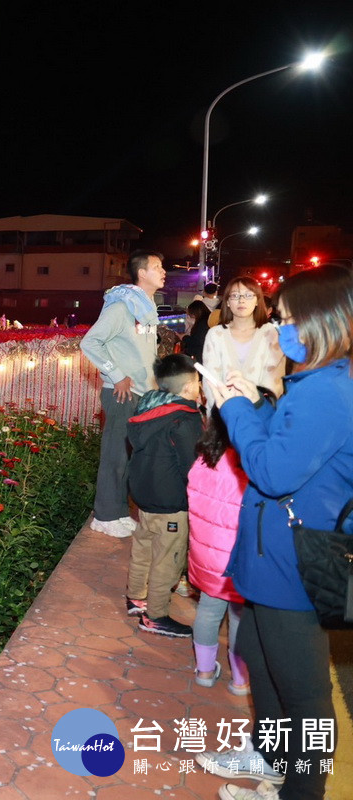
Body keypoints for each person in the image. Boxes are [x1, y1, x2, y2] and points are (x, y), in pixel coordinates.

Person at [198, 264, 353, 800]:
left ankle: (298, 790)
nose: (282, 329)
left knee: (305, 693)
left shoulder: (331, 389)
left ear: (323, 320)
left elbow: (272, 471)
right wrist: (258, 405)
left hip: (297, 557)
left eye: (288, 319)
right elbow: (286, 448)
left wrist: (234, 407)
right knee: (262, 663)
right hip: (272, 551)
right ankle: (271, 759)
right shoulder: (316, 384)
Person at [80, 250, 164, 538]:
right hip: (121, 394)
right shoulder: (122, 307)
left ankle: (117, 512)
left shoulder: (144, 307)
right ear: (142, 273)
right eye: (157, 267)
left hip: (142, 393)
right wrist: (115, 374)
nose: (163, 271)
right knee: (115, 455)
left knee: (129, 457)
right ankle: (103, 516)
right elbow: (90, 342)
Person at [124, 353, 203, 637]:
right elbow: (192, 467)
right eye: (197, 382)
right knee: (167, 560)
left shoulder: (147, 407)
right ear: (187, 387)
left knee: (143, 547)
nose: (199, 388)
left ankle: (135, 596)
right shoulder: (186, 419)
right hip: (171, 503)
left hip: (144, 496)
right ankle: (155, 615)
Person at [186, 407, 254, 695]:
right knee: (240, 617)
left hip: (207, 555)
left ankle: (204, 671)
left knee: (208, 611)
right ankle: (240, 679)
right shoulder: (249, 465)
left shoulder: (202, 460)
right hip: (239, 558)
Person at [201, 278, 285, 408]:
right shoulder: (215, 334)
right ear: (228, 302)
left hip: (260, 413)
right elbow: (210, 380)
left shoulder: (270, 333)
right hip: (224, 413)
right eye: (235, 295)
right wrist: (223, 411)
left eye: (248, 295)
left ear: (257, 300)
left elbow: (275, 380)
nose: (241, 300)